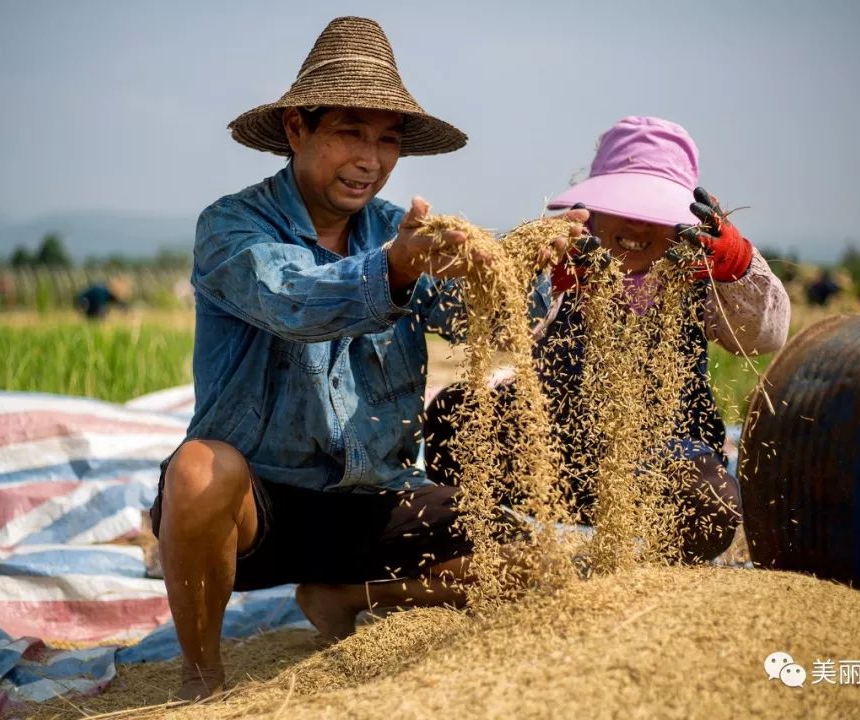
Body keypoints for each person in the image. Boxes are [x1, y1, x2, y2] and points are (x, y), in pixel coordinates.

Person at [149, 17, 586, 700]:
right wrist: (393, 271)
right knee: (201, 469)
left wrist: (523, 267)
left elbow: (483, 322)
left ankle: (344, 596)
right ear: (298, 129)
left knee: (530, 559)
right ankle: (201, 675)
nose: (371, 159)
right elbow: (293, 300)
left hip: (374, 500)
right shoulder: (232, 228)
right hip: (260, 509)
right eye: (351, 132)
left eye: (387, 141)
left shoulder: (403, 233)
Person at [425, 116, 790, 563]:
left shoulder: (701, 276)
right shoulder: (561, 261)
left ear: (682, 224)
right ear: (592, 211)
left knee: (707, 494)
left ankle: (666, 572)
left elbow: (763, 337)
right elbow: (474, 321)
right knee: (452, 413)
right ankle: (504, 558)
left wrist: (737, 267)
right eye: (624, 207)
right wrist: (525, 276)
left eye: (655, 214)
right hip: (552, 456)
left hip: (659, 465)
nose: (638, 227)